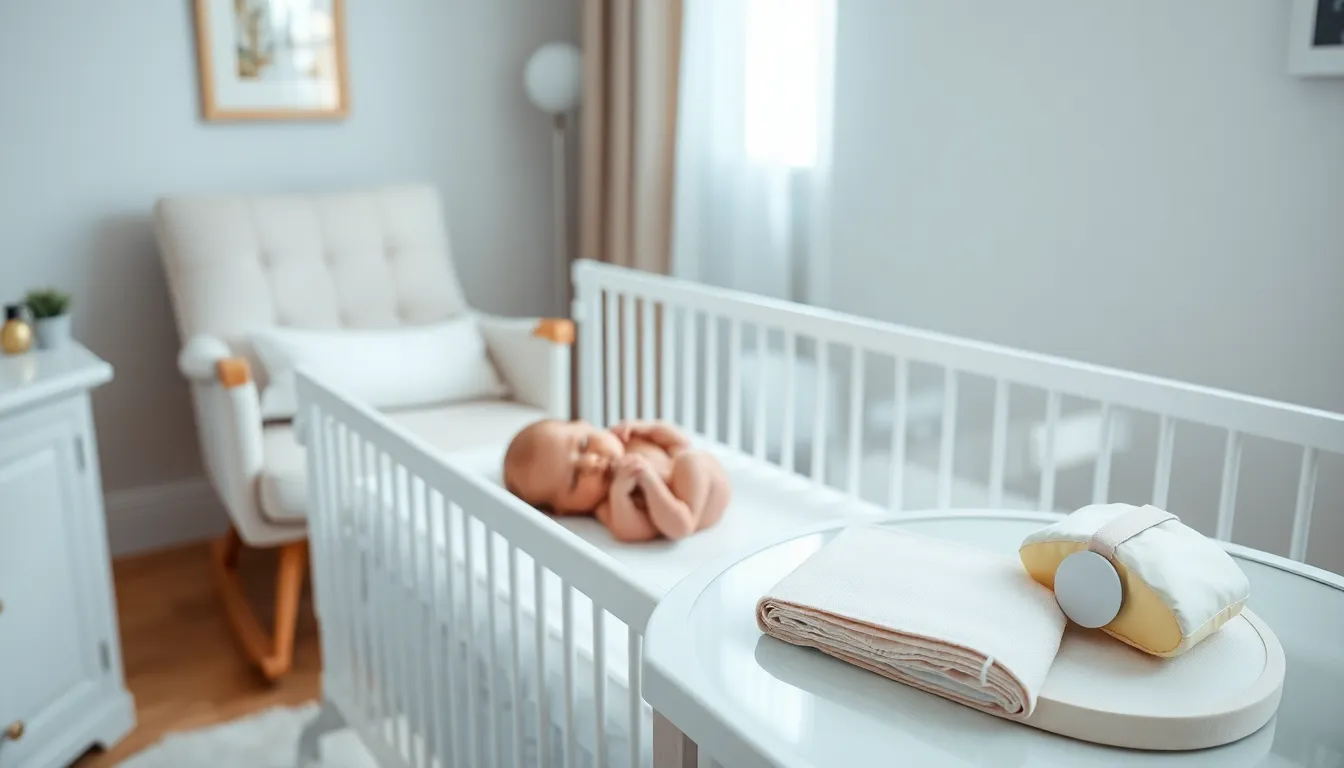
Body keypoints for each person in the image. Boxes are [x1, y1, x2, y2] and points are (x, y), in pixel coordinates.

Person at [502, 418, 730, 542]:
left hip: (706, 478)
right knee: (687, 464)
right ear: (565, 510)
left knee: (687, 458)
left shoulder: (628, 438)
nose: (591, 461)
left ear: (586, 424)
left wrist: (651, 429)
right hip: (696, 510)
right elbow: (631, 530)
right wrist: (630, 489)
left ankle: (687, 508)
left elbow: (678, 443)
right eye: (575, 478)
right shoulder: (607, 505)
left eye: (583, 444)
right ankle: (686, 517)